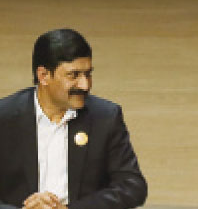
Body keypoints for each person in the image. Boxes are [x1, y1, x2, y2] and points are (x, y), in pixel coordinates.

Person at [0, 28, 147, 209]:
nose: (85, 85)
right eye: (74, 75)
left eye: (88, 74)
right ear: (44, 76)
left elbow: (132, 186)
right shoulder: (4, 117)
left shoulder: (105, 117)